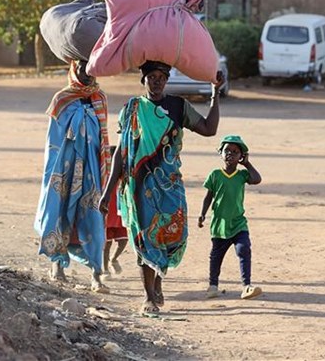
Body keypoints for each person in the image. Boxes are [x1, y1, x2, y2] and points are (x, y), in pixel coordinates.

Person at [98, 60, 225, 316]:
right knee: (144, 238)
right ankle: (148, 298)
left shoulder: (178, 106)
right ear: (142, 80)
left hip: (169, 185)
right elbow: (122, 154)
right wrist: (108, 190)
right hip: (138, 188)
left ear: (167, 80)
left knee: (170, 235)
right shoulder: (132, 109)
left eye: (161, 77)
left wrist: (215, 93)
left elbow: (209, 130)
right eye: (151, 77)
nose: (156, 81)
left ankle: (157, 281)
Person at [33, 60, 112, 293]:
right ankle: (57, 265)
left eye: (90, 68)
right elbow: (52, 142)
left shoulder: (100, 99)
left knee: (94, 219)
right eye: (81, 67)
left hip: (92, 170)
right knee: (58, 213)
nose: (86, 72)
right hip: (64, 169)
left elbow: (103, 139)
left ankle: (97, 275)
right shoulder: (61, 100)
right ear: (73, 68)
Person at [198, 135, 263, 300]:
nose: (230, 154)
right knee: (216, 256)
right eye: (227, 150)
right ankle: (213, 286)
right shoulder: (215, 175)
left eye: (235, 152)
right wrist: (202, 214)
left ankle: (247, 286)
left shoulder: (242, 175)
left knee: (244, 249)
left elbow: (257, 179)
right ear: (220, 152)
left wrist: (247, 163)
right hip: (220, 224)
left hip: (238, 223)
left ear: (240, 156)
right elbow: (208, 196)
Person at [102, 145, 128, 279]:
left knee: (123, 241)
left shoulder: (122, 177)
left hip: (119, 215)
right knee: (107, 243)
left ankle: (114, 259)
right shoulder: (105, 176)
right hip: (107, 215)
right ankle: (105, 269)